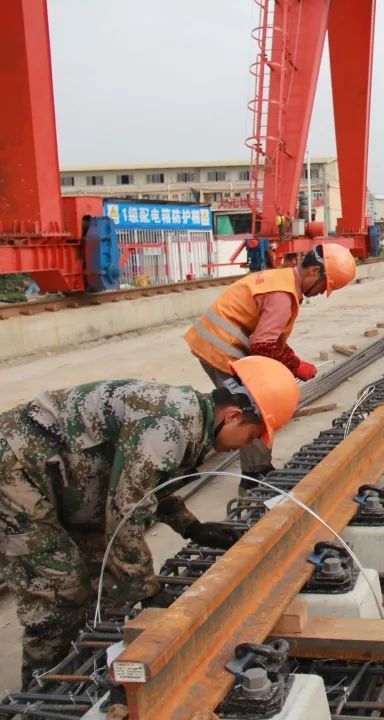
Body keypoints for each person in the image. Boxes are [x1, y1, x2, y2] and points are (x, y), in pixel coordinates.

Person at [0, 356, 300, 686]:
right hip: (15, 468)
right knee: (61, 587)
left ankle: (81, 666)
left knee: (103, 575)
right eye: (252, 435)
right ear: (233, 416)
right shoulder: (168, 427)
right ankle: (40, 690)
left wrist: (192, 527)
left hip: (59, 475)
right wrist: (149, 591)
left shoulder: (188, 416)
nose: (250, 444)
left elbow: (145, 486)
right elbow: (126, 516)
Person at [184, 243, 355, 482]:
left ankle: (249, 466)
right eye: (324, 287)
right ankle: (254, 476)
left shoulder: (282, 281)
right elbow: (263, 346)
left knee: (230, 407)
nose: (319, 293)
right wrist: (295, 366)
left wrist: (293, 361)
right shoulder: (282, 295)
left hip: (216, 344)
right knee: (252, 409)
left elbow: (269, 339)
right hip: (221, 349)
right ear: (314, 272)